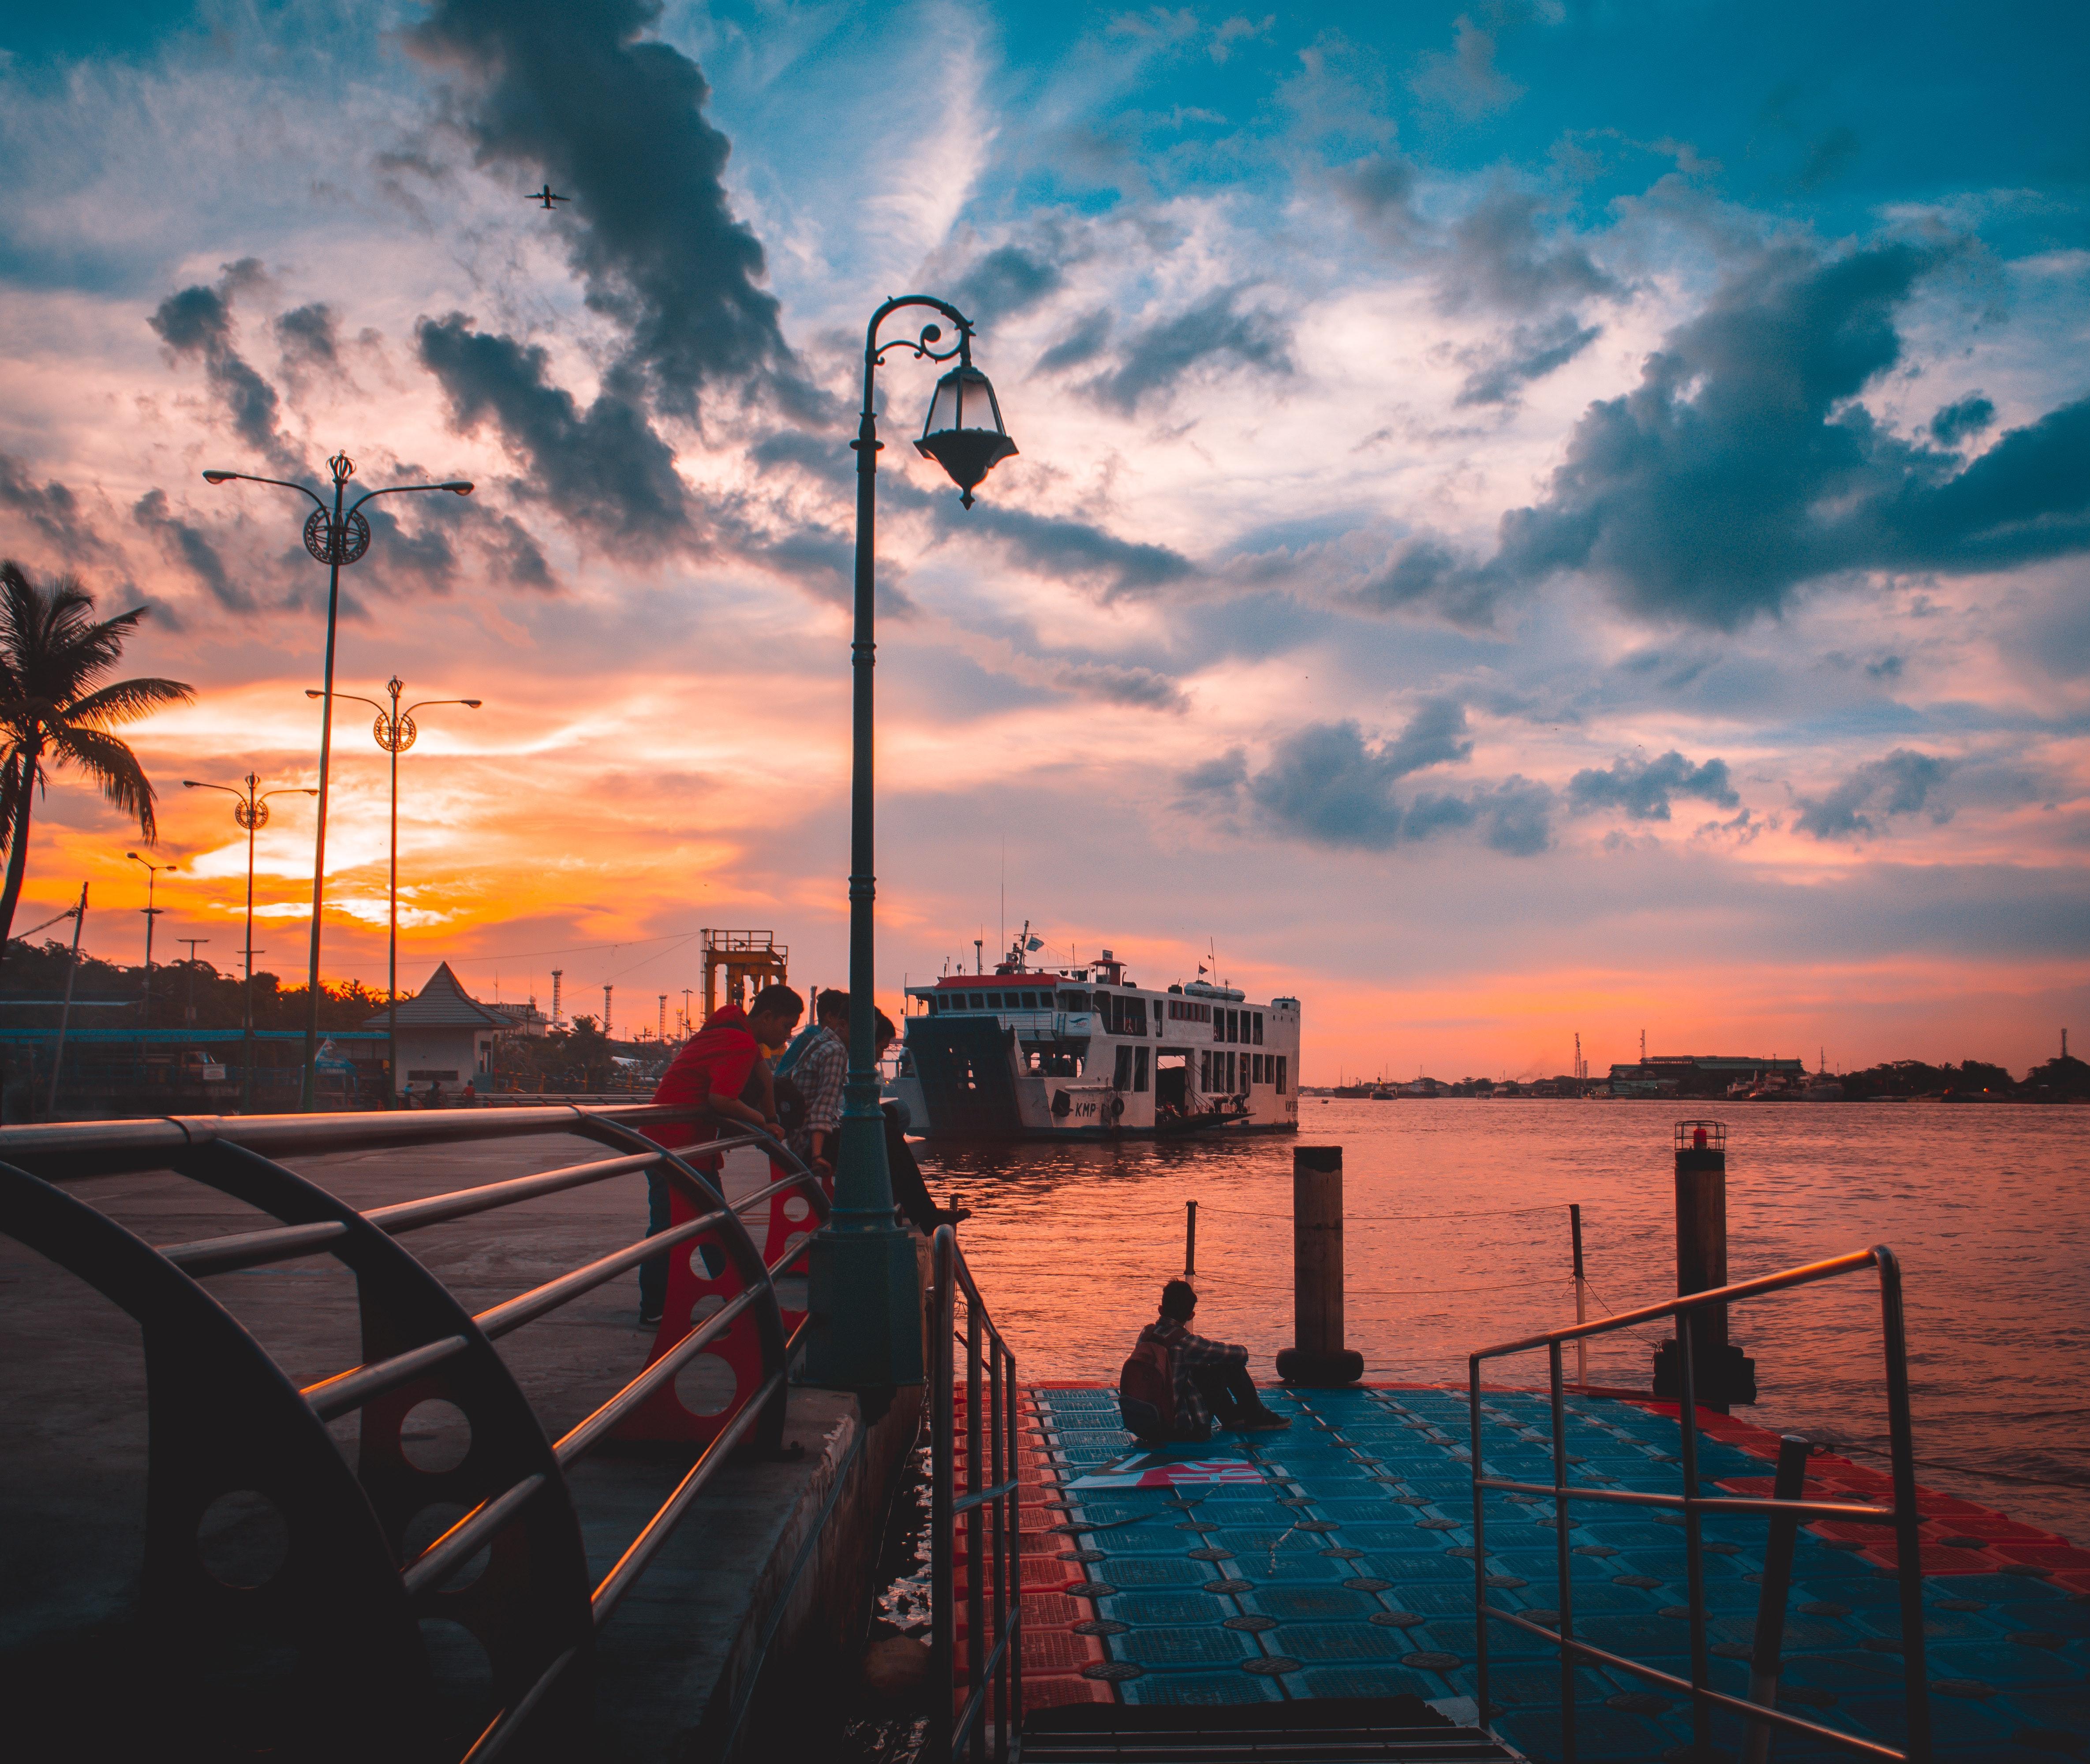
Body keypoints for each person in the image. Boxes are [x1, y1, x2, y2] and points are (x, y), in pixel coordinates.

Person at [638, 984, 804, 1325]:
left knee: (715, 1226)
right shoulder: (739, 1042)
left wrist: (771, 1120)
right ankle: (656, 1308)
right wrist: (765, 1124)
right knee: (672, 1230)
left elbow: (764, 1077)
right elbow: (721, 1100)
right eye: (787, 1026)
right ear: (768, 1017)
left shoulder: (731, 1023)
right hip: (676, 1147)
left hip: (680, 1144)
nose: (788, 1035)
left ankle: (738, 1299)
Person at [1119, 1279, 1288, 1443]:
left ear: (1160, 1309)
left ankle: (1232, 1416)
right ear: (1191, 1316)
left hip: (1149, 1421)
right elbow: (1241, 1354)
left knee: (1204, 1365)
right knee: (1228, 1363)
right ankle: (1257, 1416)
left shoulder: (1147, 1333)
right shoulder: (1187, 1343)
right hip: (1183, 1428)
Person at [871, 1011, 970, 1234]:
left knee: (899, 1112)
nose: (880, 1056)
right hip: (831, 1131)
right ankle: (923, 1212)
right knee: (885, 1131)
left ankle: (906, 1200)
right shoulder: (836, 1054)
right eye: (880, 1049)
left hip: (835, 1125)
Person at [783, 990, 850, 1178]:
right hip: (808, 1144)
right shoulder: (835, 1050)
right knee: (885, 1135)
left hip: (798, 1138)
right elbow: (822, 1108)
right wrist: (817, 1156)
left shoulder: (817, 1041)